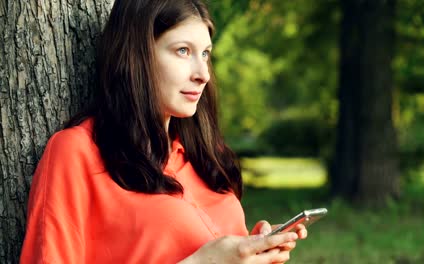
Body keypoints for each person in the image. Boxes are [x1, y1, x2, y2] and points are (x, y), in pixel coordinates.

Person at [20, 0, 307, 263]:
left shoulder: (205, 155)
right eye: (183, 51)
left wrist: (254, 250)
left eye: (205, 54)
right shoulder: (76, 152)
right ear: (137, 55)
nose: (203, 74)